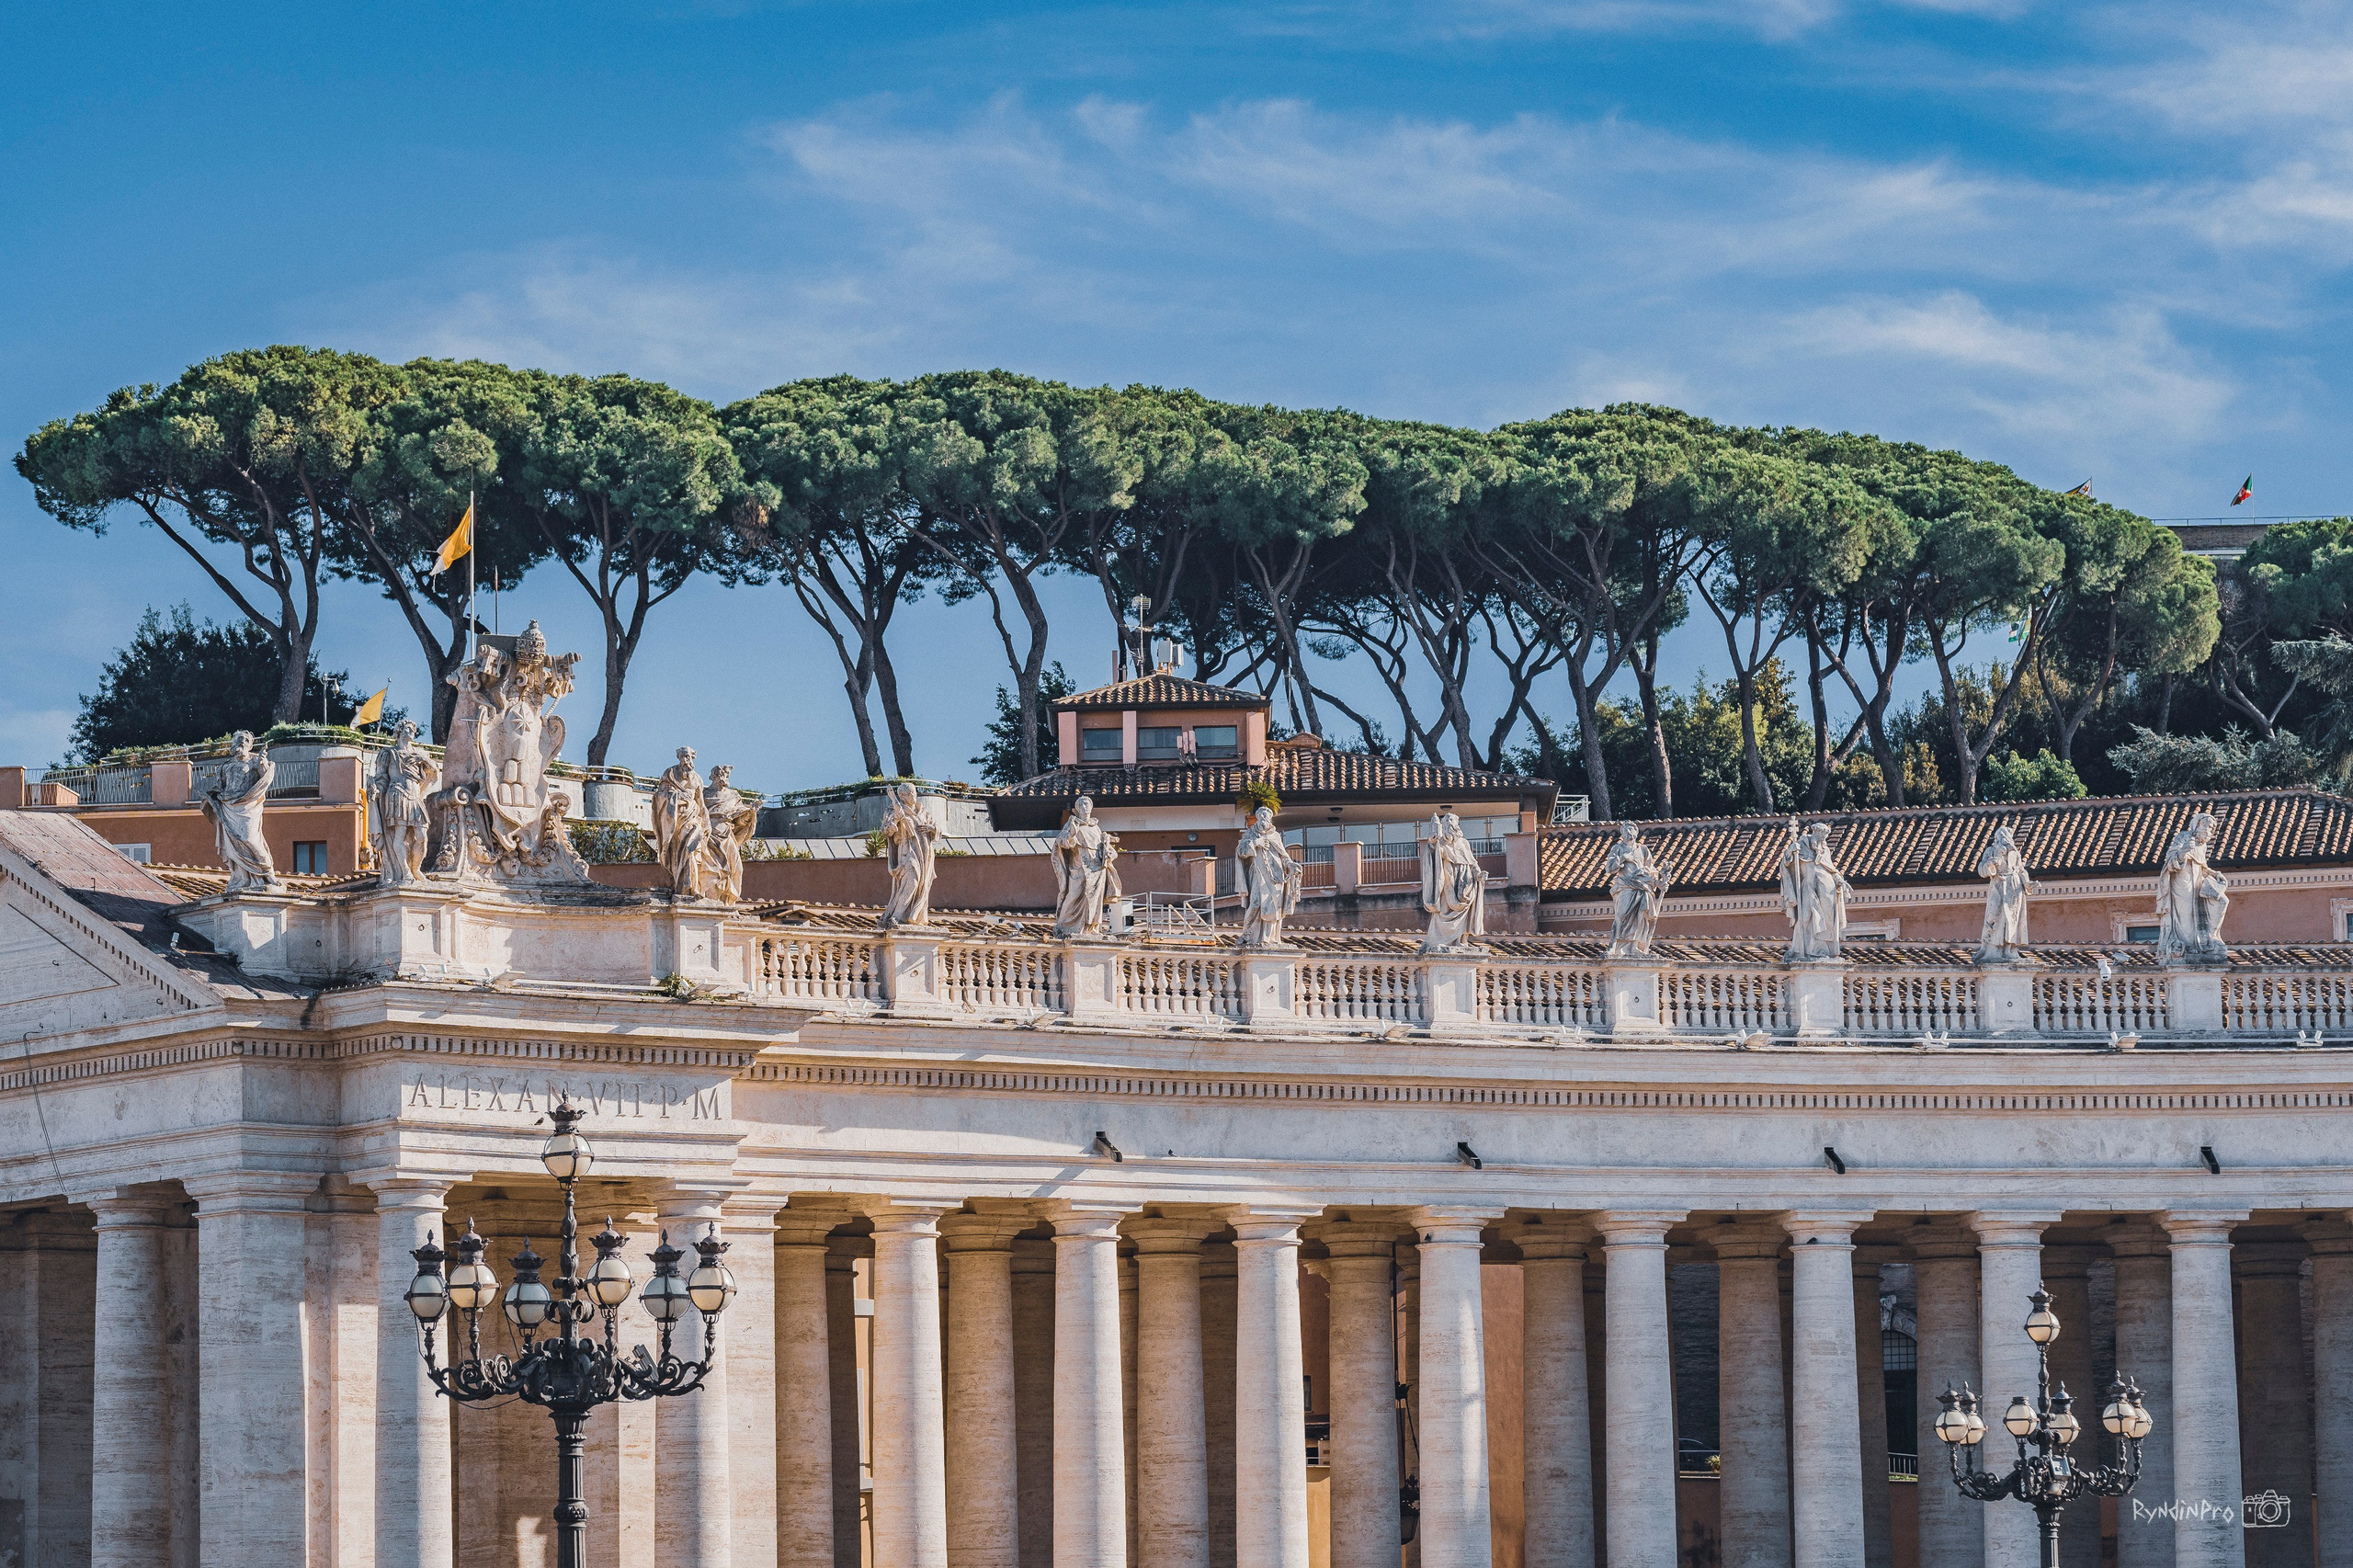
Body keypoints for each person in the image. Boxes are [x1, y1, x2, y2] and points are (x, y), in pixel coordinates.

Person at [203, 731, 279, 892]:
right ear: (233, 743)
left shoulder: (255, 761)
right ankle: (241, 878)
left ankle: (266, 872)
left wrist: (262, 764)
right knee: (234, 843)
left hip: (248, 806)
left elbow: (265, 779)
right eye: (239, 739)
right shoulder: (226, 765)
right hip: (228, 807)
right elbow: (220, 787)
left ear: (250, 745)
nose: (242, 742)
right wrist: (212, 798)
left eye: (246, 740)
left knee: (249, 838)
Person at [2155, 811, 2230, 962]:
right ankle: (2187, 946)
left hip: (2197, 883)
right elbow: (2171, 860)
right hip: (2182, 882)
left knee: (2222, 901)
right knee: (2186, 914)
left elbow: (2202, 867)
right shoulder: (2183, 837)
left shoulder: (2202, 846)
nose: (2209, 829)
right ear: (2197, 825)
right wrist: (2183, 852)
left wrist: (2214, 874)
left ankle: (2210, 939)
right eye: (2206, 825)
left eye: (2211, 828)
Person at [369, 719, 437, 887]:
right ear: (399, 731)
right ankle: (405, 872)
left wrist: (423, 758)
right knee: (399, 835)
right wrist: (376, 791)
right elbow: (381, 778)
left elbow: (434, 770)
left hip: (415, 798)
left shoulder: (420, 753)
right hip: (397, 796)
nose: (411, 732)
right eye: (407, 728)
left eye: (413, 729)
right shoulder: (389, 753)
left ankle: (416, 868)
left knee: (422, 836)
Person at [1779, 818, 1850, 960]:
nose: (1822, 841)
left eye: (1824, 838)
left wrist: (1840, 880)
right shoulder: (1800, 846)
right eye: (1820, 837)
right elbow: (1785, 866)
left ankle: (1825, 950)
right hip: (1808, 888)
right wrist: (1789, 853)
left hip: (1826, 890)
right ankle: (1801, 949)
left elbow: (1831, 870)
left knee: (1828, 921)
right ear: (1814, 833)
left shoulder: (1825, 850)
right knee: (1806, 919)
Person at [1051, 795, 1120, 938]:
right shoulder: (1073, 823)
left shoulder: (1096, 828)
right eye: (1081, 805)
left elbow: (1109, 850)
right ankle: (1064, 925)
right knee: (1074, 895)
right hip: (1079, 866)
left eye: (1087, 804)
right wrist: (1071, 834)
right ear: (1077, 809)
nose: (1085, 807)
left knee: (1095, 898)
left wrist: (1108, 852)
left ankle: (1092, 927)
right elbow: (1062, 842)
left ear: (1091, 807)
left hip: (1097, 869)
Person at [1417, 811, 1486, 953]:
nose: (1450, 825)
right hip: (1447, 882)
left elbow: (1473, 864)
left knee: (1463, 914)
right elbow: (1432, 858)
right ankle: (1440, 940)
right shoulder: (1439, 843)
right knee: (1443, 911)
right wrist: (1431, 843)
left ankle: (1461, 940)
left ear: (1457, 825)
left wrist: (1479, 875)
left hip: (1465, 885)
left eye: (1452, 822)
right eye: (1446, 823)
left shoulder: (1464, 843)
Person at [1234, 805, 1302, 948]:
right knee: (1255, 904)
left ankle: (1269, 939)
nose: (1264, 819)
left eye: (1267, 816)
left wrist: (1291, 865)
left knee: (1274, 908)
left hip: (1276, 878)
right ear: (1258, 818)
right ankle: (1249, 935)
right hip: (1258, 875)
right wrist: (1256, 843)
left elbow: (1284, 857)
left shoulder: (1275, 836)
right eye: (1262, 816)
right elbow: (1240, 852)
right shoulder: (1251, 834)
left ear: (1270, 819)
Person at [653, 747, 712, 899]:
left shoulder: (697, 778)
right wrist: (675, 796)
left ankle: (693, 887)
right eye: (684, 756)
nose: (687, 760)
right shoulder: (670, 774)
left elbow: (701, 802)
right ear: (678, 757)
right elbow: (659, 796)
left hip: (693, 819)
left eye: (689, 757)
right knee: (677, 855)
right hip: (675, 822)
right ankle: (680, 887)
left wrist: (707, 823)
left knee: (692, 849)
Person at [879, 782, 940, 929]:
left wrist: (932, 828)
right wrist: (895, 821)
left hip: (925, 853)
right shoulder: (892, 810)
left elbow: (937, 830)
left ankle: (915, 916)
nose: (913, 796)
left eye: (914, 793)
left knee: (922, 884)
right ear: (902, 796)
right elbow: (886, 831)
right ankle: (897, 916)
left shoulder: (924, 812)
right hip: (907, 850)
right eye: (909, 794)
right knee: (912, 880)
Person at [1605, 822, 1668, 958]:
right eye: (1626, 831)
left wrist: (1658, 882)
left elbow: (1651, 870)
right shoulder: (1618, 849)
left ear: (1636, 833)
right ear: (1622, 834)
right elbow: (1609, 868)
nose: (1629, 834)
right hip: (1625, 886)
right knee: (1621, 915)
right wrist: (1622, 858)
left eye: (1631, 831)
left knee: (1641, 917)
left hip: (1642, 887)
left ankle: (1634, 947)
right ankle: (1614, 946)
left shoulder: (1643, 850)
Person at [1975, 822, 2033, 963]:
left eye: (2006, 835)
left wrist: (2027, 883)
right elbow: (1981, 869)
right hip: (1999, 885)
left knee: (2012, 919)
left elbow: (2020, 870)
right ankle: (1992, 949)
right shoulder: (1990, 851)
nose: (2004, 838)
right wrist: (1990, 864)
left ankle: (2010, 948)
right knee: (1994, 915)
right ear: (1997, 837)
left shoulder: (2015, 853)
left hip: (2014, 887)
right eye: (2001, 835)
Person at [701, 765, 760, 905]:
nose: (725, 777)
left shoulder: (734, 796)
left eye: (727, 775)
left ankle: (729, 902)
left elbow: (740, 821)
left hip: (727, 835)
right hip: (709, 835)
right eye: (723, 774)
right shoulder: (704, 794)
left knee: (736, 868)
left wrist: (751, 813)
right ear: (714, 776)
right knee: (713, 870)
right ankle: (712, 902)